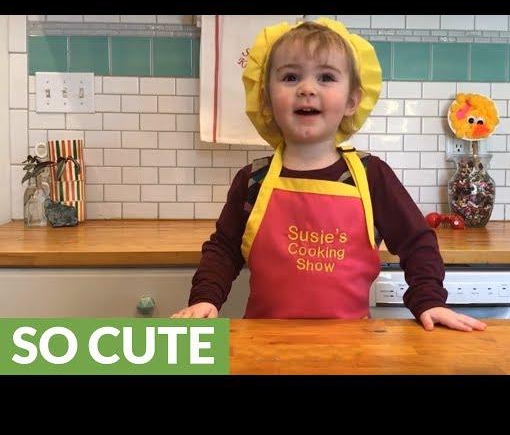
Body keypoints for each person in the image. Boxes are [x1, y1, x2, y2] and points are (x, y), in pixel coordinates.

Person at [171, 18, 486, 332]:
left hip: (351, 348)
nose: (307, 89)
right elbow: (224, 249)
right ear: (266, 98)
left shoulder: (370, 175)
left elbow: (417, 242)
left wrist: (428, 299)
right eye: (291, 77)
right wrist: (205, 299)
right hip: (263, 345)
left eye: (325, 77)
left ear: (351, 101)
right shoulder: (252, 180)